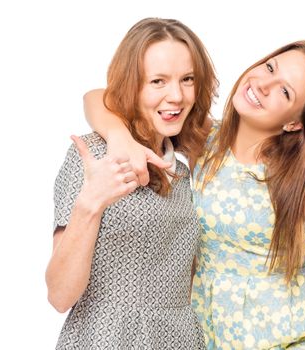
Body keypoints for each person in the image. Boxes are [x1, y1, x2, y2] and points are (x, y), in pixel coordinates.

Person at [84, 40, 305, 349]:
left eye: (284, 91)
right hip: (216, 336)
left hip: (297, 336)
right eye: (270, 68)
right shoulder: (206, 140)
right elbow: (98, 97)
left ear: (295, 123)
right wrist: (119, 137)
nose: (263, 85)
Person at [45, 17, 217, 349]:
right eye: (157, 81)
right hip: (106, 338)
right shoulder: (95, 154)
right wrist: (89, 205)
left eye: (187, 79)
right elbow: (60, 295)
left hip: (181, 338)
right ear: (131, 84)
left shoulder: (189, 159)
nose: (176, 96)